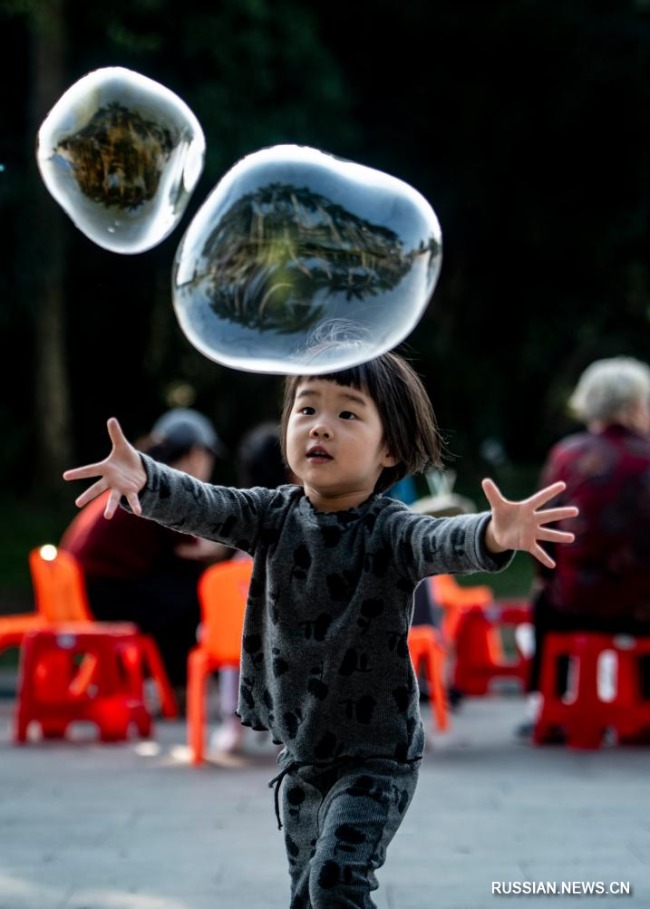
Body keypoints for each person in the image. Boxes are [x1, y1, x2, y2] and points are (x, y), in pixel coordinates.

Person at [63, 350, 577, 909]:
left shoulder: (391, 529)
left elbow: (439, 541)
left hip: (377, 756)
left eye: (348, 414)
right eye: (306, 409)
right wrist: (146, 477)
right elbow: (205, 505)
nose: (320, 426)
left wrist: (493, 535)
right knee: (308, 893)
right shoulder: (270, 515)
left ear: (391, 449)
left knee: (337, 882)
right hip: (300, 752)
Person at [59, 407, 232, 698]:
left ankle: (171, 682)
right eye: (206, 456)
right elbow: (196, 548)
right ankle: (181, 686)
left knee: (178, 586)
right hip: (104, 592)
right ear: (194, 454)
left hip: (89, 588)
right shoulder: (162, 485)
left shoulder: (140, 477)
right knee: (196, 593)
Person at [521, 355, 650, 733]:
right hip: (645, 609)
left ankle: (552, 704)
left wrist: (546, 578)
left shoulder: (569, 454)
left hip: (578, 603)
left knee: (545, 601)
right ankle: (643, 706)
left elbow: (541, 529)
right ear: (639, 404)